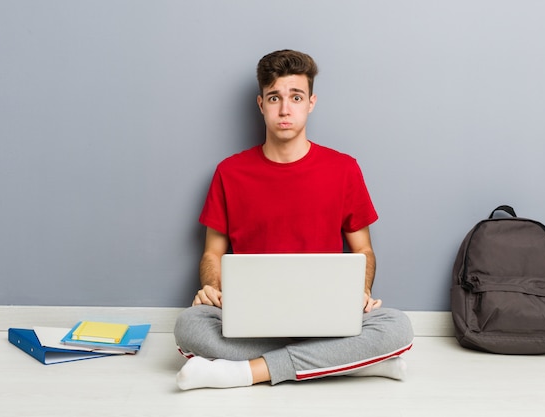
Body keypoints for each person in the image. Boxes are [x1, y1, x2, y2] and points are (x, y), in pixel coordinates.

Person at [174, 49, 414, 390]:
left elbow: (364, 250)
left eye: (295, 97)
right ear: (261, 104)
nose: (285, 109)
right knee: (189, 325)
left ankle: (245, 372)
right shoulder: (229, 172)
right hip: (250, 318)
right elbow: (213, 253)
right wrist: (211, 287)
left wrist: (359, 291)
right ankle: (347, 362)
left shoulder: (344, 169)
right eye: (275, 97)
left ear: (311, 102)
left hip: (327, 316)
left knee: (397, 326)